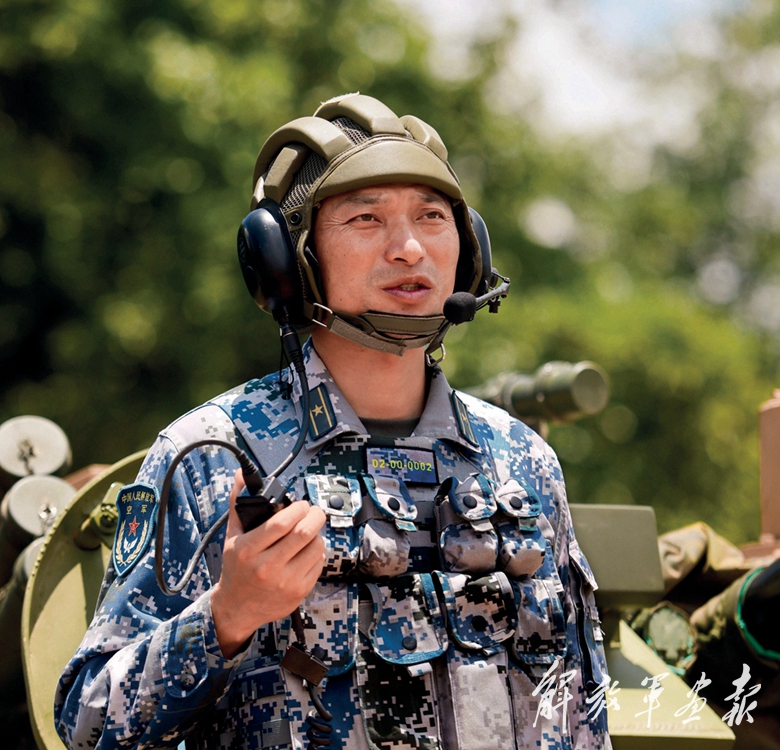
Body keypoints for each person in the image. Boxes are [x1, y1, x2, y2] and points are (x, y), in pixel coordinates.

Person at [55, 93, 611, 750]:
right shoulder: (212, 454)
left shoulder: (521, 460)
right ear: (288, 260)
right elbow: (88, 725)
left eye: (432, 216)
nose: (409, 248)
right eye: (366, 219)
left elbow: (583, 714)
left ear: (471, 249)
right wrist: (225, 618)